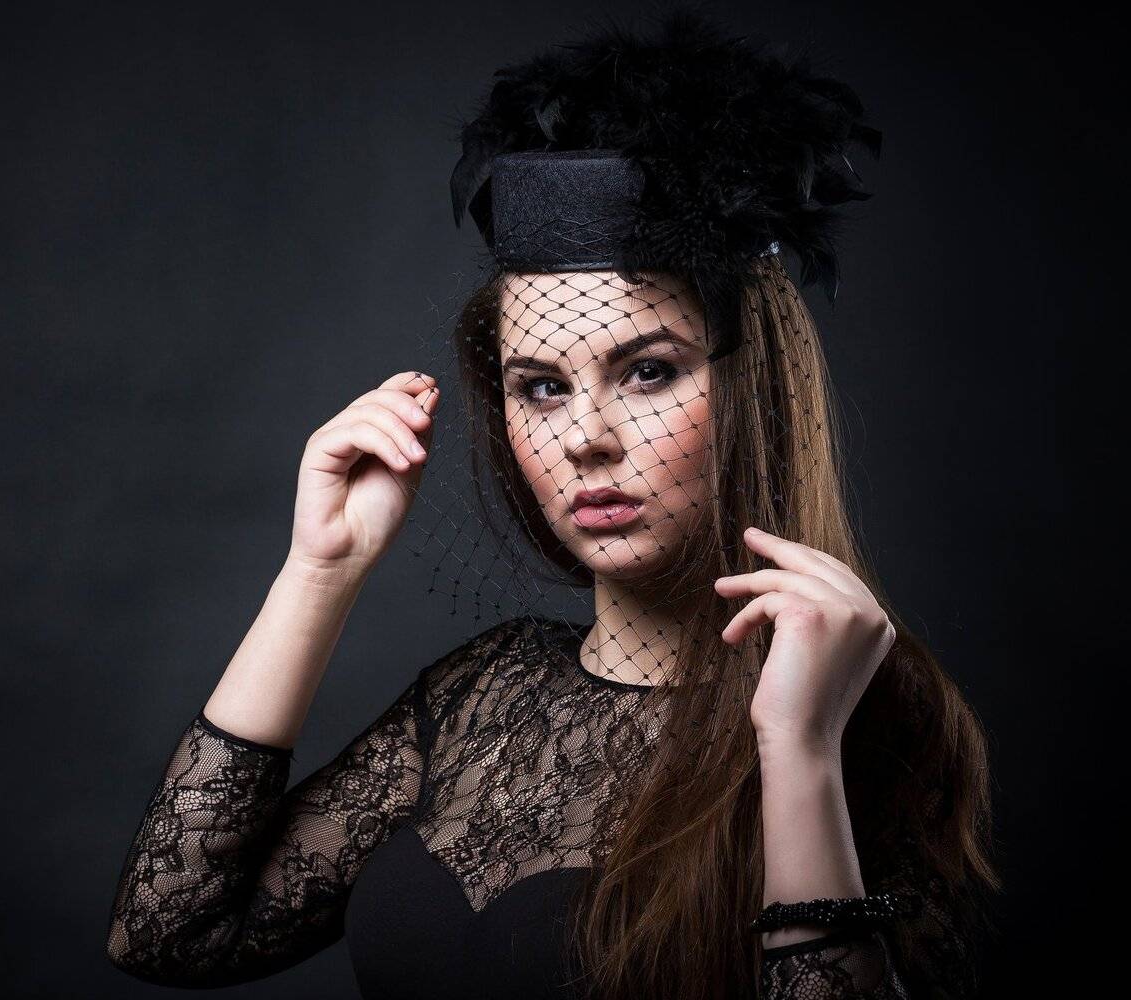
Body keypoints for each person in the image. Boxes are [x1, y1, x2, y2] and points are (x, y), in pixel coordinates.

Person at [105, 10, 999, 998]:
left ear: (757, 391)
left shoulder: (873, 717)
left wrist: (798, 749)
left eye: (648, 370)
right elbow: (170, 931)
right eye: (539, 386)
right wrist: (319, 572)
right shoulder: (484, 692)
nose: (585, 437)